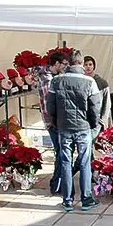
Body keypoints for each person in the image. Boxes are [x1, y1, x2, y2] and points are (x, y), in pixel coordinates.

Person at [46, 50, 101, 211]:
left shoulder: (56, 81)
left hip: (64, 127)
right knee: (84, 162)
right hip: (83, 127)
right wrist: (92, 124)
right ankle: (86, 199)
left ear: (68, 63)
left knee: (65, 162)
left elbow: (50, 106)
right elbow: (95, 107)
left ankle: (67, 200)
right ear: (82, 64)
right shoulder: (90, 82)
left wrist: (57, 121)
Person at [38, 51, 68, 194]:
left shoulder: (53, 77)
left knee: (61, 152)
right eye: (63, 64)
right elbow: (49, 105)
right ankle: (56, 184)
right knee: (61, 152)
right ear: (56, 64)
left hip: (56, 121)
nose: (65, 67)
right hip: (53, 122)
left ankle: (58, 182)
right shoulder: (48, 81)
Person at [83, 56, 110, 139]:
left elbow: (107, 103)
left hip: (98, 120)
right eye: (86, 64)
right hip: (84, 120)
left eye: (90, 64)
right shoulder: (80, 82)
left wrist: (103, 120)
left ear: (94, 66)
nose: (88, 67)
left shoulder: (102, 82)